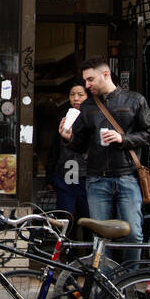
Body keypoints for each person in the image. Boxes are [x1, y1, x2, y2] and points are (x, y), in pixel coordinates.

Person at [59, 56, 150, 264]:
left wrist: (124, 139)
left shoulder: (134, 100)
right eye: (85, 80)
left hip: (127, 177)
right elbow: (80, 145)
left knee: (133, 234)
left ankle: (129, 282)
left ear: (105, 74)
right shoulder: (87, 107)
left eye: (91, 80)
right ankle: (106, 285)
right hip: (96, 180)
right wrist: (69, 138)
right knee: (100, 238)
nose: (87, 85)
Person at [48, 79, 90, 226]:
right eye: (72, 95)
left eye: (80, 94)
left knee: (87, 216)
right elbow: (55, 146)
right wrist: (50, 174)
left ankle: (87, 247)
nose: (76, 98)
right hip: (66, 172)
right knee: (65, 216)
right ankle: (67, 248)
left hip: (87, 175)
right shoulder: (63, 116)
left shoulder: (94, 116)